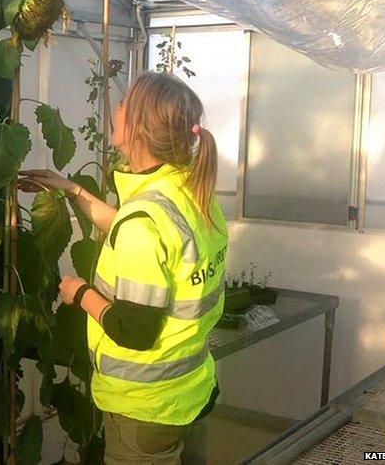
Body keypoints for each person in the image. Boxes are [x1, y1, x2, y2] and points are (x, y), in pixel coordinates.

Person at [19, 71, 228, 464]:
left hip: (145, 406)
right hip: (190, 389)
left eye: (124, 102)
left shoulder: (145, 222)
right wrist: (73, 189)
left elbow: (133, 331)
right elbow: (141, 233)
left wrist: (79, 293)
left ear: (140, 128)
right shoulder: (192, 195)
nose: (116, 107)